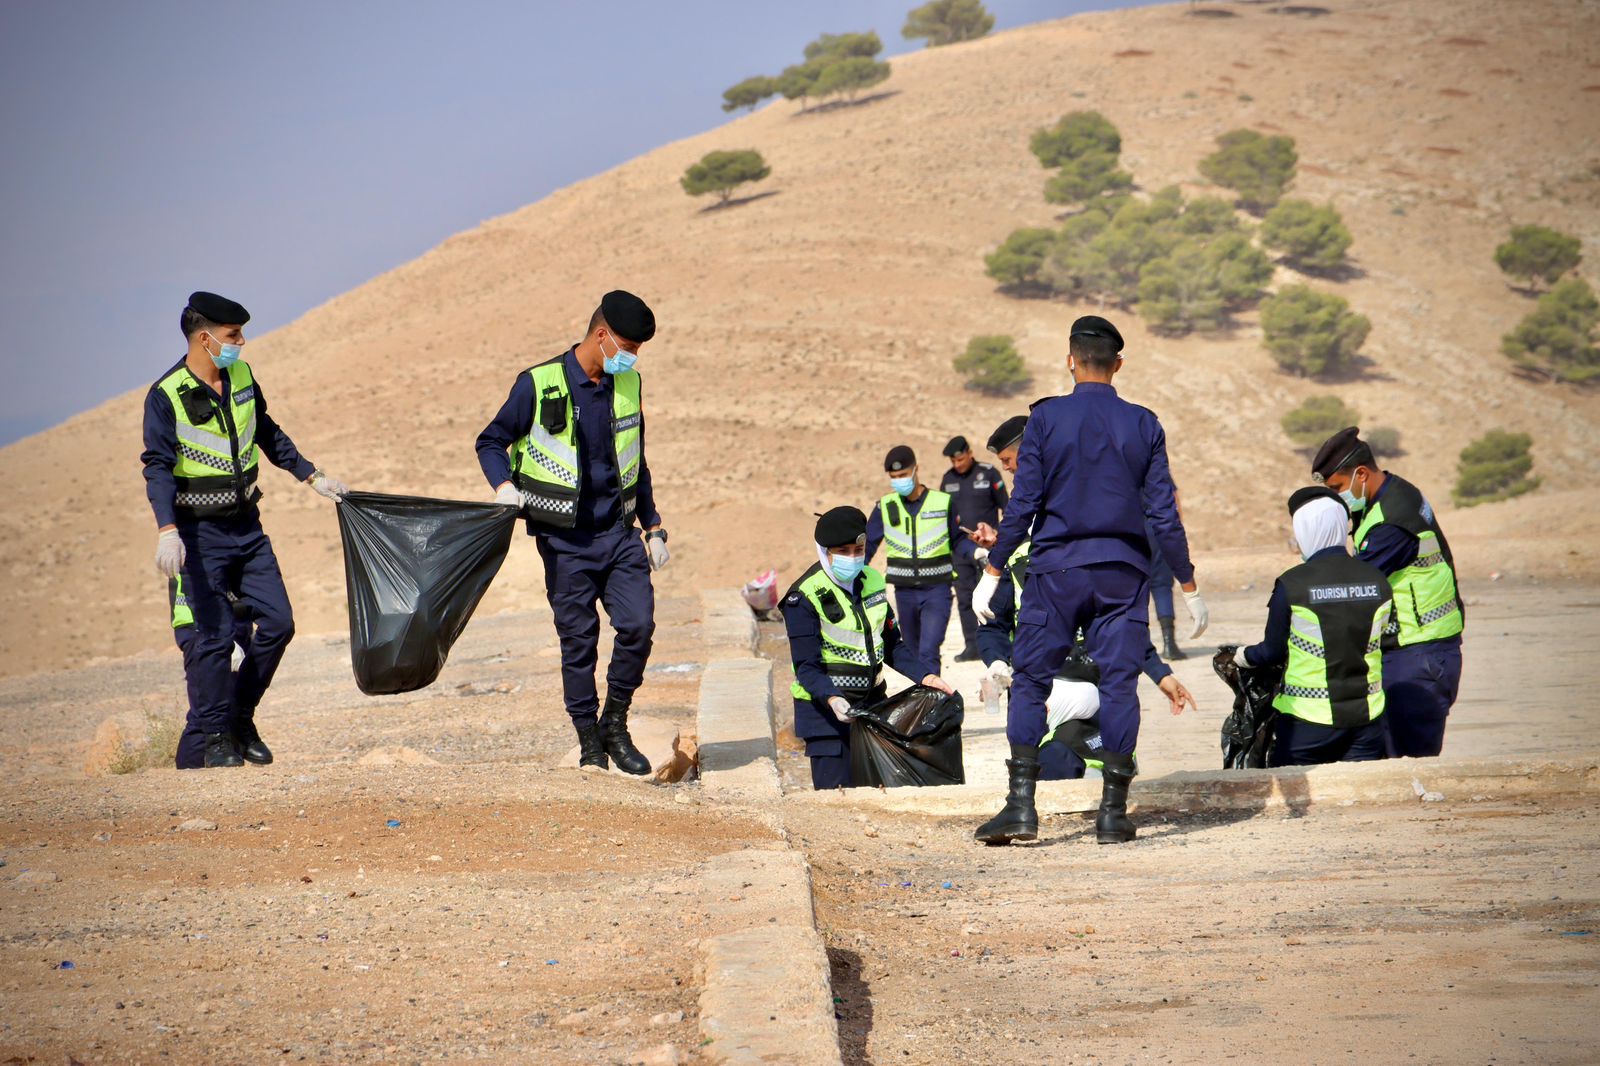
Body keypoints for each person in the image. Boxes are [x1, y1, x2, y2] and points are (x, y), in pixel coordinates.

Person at [971, 316, 1207, 845]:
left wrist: (992, 569)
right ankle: (1112, 815)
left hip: (1055, 571)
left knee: (1030, 681)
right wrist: (1187, 583)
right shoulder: (1145, 423)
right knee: (1120, 685)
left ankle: (1021, 809)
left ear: (1069, 359)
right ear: (1118, 364)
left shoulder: (1046, 421)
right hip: (1124, 573)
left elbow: (1024, 503)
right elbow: (1164, 514)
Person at [142, 292, 347, 769]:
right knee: (211, 639)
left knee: (279, 624)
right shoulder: (166, 394)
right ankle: (214, 739)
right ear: (204, 337)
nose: (241, 343)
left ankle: (239, 716)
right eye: (234, 336)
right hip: (196, 534)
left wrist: (312, 476)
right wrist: (166, 529)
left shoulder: (241, 375)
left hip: (247, 527)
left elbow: (266, 430)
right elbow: (157, 466)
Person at [476, 290, 669, 775]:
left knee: (638, 626)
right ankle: (588, 738)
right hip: (566, 541)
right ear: (601, 335)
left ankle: (615, 722)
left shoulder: (628, 385)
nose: (633, 357)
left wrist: (654, 525)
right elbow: (491, 440)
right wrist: (502, 485)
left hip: (620, 534)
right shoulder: (538, 384)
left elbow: (636, 460)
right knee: (579, 640)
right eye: (628, 345)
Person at [977, 416, 1196, 782]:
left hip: (1098, 687)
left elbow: (1117, 623)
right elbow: (992, 625)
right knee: (1054, 766)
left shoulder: (1090, 550)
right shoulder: (1018, 562)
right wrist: (997, 663)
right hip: (1047, 693)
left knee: (1101, 769)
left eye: (1010, 462)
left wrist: (1160, 673)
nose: (1011, 473)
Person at [1311, 427, 1464, 758]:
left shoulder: (1391, 523)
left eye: (1338, 488)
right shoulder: (1391, 493)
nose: (1338, 497)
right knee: (1392, 757)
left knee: (1408, 764)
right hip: (1415, 650)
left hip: (1418, 657)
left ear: (1361, 474)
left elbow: (1355, 588)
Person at [782, 507, 954, 789]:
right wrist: (833, 699)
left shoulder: (872, 582)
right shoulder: (803, 597)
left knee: (878, 798)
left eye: (858, 549)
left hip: (872, 709)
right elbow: (806, 668)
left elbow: (891, 645)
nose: (852, 557)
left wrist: (925, 676)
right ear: (825, 551)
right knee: (838, 803)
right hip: (826, 716)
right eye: (843, 550)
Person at [1235, 487, 1393, 765]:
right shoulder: (1378, 580)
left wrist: (1242, 656)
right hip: (1367, 719)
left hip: (1307, 724)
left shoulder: (1292, 584)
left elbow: (1271, 651)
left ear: (1305, 531)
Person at [865, 446, 963, 674]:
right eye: (894, 477)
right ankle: (921, 703)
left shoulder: (942, 502)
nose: (899, 481)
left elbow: (959, 540)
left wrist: (979, 553)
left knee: (929, 650)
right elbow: (868, 546)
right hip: (904, 592)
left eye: (903, 475)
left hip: (937, 590)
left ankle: (934, 708)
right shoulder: (885, 506)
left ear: (916, 469)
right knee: (911, 651)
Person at [939, 435, 1008, 663]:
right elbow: (945, 518)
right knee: (965, 597)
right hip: (960, 550)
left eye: (960, 459)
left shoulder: (988, 473)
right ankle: (972, 645)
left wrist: (1000, 540)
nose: (957, 464)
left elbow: (1006, 507)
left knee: (993, 595)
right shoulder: (947, 480)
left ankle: (998, 642)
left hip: (988, 548)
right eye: (953, 461)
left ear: (969, 453)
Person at [1147, 502, 1184, 660]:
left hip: (1130, 529)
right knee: (1161, 586)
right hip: (1158, 529)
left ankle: (1133, 647)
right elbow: (1173, 501)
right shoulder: (1158, 475)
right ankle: (1169, 644)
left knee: (1130, 589)